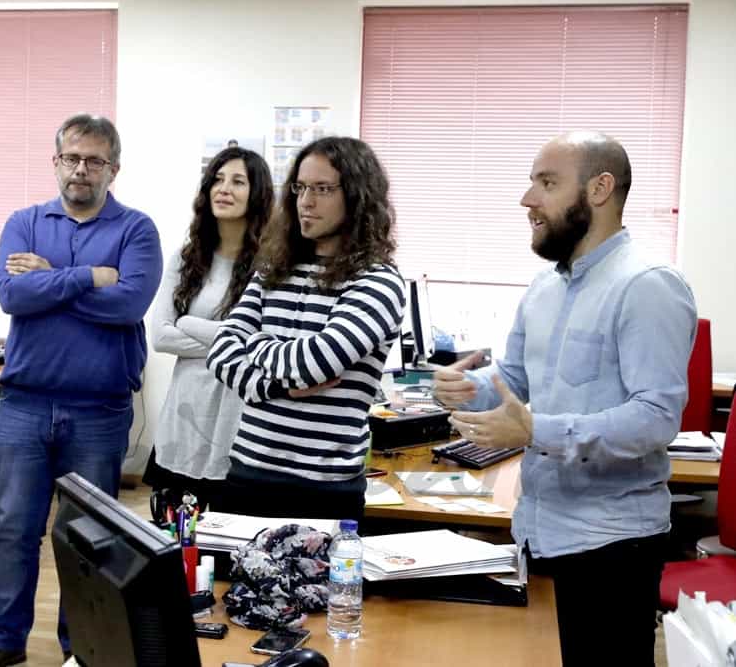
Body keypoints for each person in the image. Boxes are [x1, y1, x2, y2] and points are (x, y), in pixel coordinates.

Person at [432, 131, 697, 666]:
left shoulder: (648, 285)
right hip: (539, 532)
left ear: (600, 190)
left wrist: (536, 432)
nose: (528, 199)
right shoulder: (544, 288)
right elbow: (514, 380)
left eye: (547, 183)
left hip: (612, 546)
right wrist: (468, 390)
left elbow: (656, 418)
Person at [0, 115, 162, 667]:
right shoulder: (23, 222)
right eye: (71, 158)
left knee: (88, 541)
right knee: (12, 530)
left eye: (94, 160)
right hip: (24, 405)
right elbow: (12, 296)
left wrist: (49, 276)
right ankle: (5, 642)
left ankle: (85, 650)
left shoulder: (136, 230)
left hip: (98, 410)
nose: (81, 169)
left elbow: (129, 305)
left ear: (113, 169)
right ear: (55, 162)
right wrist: (86, 275)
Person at [207, 136, 405, 522]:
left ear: (358, 196)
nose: (305, 201)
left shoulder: (378, 281)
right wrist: (277, 385)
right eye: (300, 187)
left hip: (323, 489)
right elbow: (221, 352)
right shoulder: (273, 269)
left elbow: (316, 362)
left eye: (323, 189)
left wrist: (258, 343)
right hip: (247, 471)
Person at [144, 146, 274, 511]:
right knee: (178, 537)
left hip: (240, 416)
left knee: (231, 536)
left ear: (258, 194)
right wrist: (234, 341)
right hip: (187, 411)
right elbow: (161, 336)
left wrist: (189, 323)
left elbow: (266, 343)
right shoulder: (186, 259)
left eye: (237, 181)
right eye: (217, 179)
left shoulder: (272, 265)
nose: (224, 188)